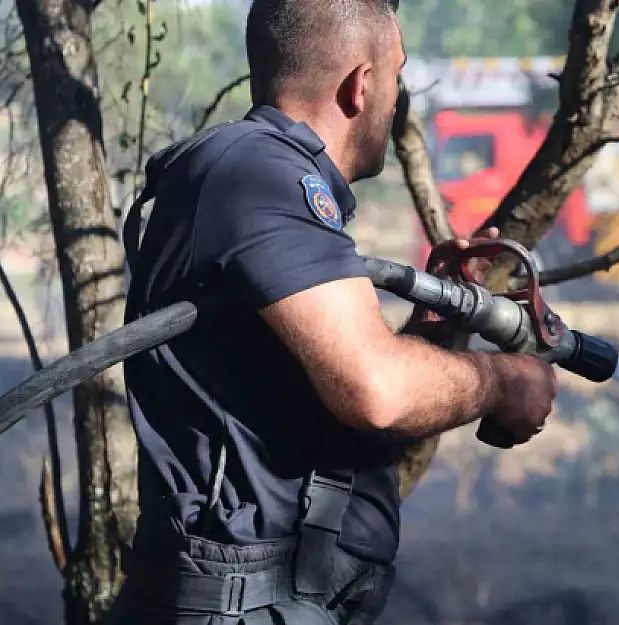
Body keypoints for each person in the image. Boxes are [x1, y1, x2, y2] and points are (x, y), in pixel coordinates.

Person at [105, 0, 558, 623]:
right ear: (362, 84)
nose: (397, 99)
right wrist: (506, 381)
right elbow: (375, 391)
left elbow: (309, 393)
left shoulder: (258, 176)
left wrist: (435, 325)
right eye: (397, 76)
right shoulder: (261, 175)